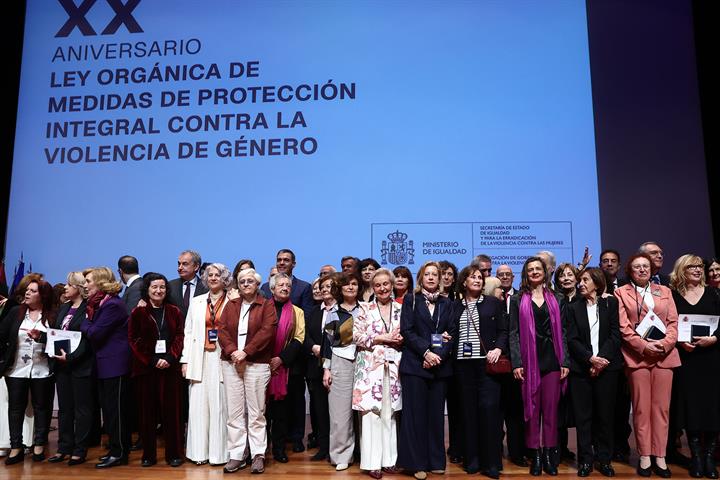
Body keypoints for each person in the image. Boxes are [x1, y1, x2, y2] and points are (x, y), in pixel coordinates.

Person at [614, 253, 680, 477]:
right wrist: (643, 346)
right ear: (630, 271)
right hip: (638, 358)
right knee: (642, 409)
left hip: (664, 356)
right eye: (637, 267)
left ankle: (659, 456)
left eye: (646, 266)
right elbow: (624, 328)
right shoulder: (621, 292)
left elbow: (673, 323)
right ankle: (644, 456)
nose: (642, 270)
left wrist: (664, 344)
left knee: (661, 409)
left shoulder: (666, 292)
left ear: (652, 270)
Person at [508, 256, 569, 476]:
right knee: (532, 411)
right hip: (528, 361)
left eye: (538, 269)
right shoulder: (517, 299)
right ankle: (534, 455)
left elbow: (562, 333)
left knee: (551, 411)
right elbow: (513, 334)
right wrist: (516, 362)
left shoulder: (557, 298)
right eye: (530, 269)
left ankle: (549, 455)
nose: (534, 272)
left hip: (552, 360)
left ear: (545, 272)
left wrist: (565, 361)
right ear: (526, 274)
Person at [397, 261, 456, 480]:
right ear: (421, 278)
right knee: (415, 416)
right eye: (427, 274)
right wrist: (426, 353)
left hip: (439, 367)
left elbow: (451, 332)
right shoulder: (411, 300)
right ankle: (417, 463)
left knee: (435, 416)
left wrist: (437, 355)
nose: (431, 278)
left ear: (440, 279)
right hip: (415, 365)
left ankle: (436, 460)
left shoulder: (447, 303)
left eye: (435, 275)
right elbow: (407, 330)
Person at [218, 268, 277, 474]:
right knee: (234, 413)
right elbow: (222, 330)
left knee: (256, 412)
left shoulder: (266, 305)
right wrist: (232, 351)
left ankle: (258, 454)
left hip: (257, 364)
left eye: (249, 281)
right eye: (242, 281)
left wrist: (246, 352)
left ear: (257, 284)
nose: (245, 284)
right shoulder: (231, 305)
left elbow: (267, 332)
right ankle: (237, 454)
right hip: (231, 362)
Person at [566, 268, 622, 477]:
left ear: (597, 284)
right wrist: (590, 359)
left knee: (605, 417)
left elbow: (616, 335)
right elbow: (571, 339)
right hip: (581, 370)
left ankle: (604, 459)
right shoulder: (573, 308)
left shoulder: (611, 303)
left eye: (585, 280)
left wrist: (601, 361)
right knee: (583, 418)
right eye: (580, 280)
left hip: (607, 369)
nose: (580, 283)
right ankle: (585, 461)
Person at [451, 265, 507, 479]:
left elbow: (504, 330)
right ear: (464, 282)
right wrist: (443, 340)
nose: (476, 279)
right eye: (471, 277)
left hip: (487, 365)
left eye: (479, 277)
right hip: (463, 366)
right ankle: (472, 460)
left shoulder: (493, 303)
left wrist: (498, 348)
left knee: (489, 412)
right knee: (468, 413)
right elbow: (447, 332)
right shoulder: (455, 306)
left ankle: (492, 463)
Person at [669, 255, 720, 478]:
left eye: (700, 266)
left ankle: (709, 457)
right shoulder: (673, 295)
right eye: (693, 266)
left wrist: (715, 338)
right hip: (686, 359)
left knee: (711, 405)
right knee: (690, 407)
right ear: (682, 269)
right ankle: (696, 457)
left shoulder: (714, 293)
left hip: (711, 358)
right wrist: (679, 341)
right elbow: (669, 324)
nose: (698, 270)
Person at [128, 273, 184, 468]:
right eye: (154, 287)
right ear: (147, 290)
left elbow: (179, 336)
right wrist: (152, 360)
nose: (159, 290)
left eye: (162, 287)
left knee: (172, 414)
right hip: (146, 369)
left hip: (170, 369)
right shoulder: (138, 313)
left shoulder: (174, 311)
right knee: (147, 414)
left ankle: (174, 454)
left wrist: (170, 357)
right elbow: (134, 340)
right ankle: (148, 454)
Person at [354, 268, 404, 479]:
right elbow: (356, 336)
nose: (382, 288)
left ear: (392, 285)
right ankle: (372, 463)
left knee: (389, 413)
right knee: (371, 414)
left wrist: (399, 340)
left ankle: (389, 461)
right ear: (372, 288)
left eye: (386, 284)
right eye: (378, 285)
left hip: (393, 367)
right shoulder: (364, 308)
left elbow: (405, 335)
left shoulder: (401, 309)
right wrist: (383, 338)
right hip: (369, 369)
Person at [0, 278, 55, 465]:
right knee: (16, 408)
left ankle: (38, 444)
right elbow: (1, 335)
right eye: (27, 290)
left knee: (41, 408)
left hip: (42, 369)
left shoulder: (52, 316)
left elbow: (59, 340)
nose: (28, 293)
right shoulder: (16, 312)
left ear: (43, 295)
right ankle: (16, 447)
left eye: (33, 291)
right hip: (16, 369)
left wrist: (41, 337)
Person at [181, 262, 232, 466]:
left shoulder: (233, 300)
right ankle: (198, 453)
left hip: (222, 358)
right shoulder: (197, 301)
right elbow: (188, 332)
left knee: (220, 406)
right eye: (209, 275)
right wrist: (185, 360)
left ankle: (219, 455)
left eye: (217, 275)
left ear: (224, 279)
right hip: (199, 357)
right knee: (198, 406)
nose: (212, 278)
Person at [81, 267, 131, 468]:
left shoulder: (112, 305)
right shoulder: (100, 304)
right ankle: (114, 449)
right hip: (105, 364)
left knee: (116, 412)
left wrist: (85, 321)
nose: (85, 285)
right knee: (109, 411)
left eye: (88, 281)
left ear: (100, 282)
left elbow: (94, 333)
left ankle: (120, 453)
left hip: (115, 364)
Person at [47, 272, 94, 466]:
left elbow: (86, 338)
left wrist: (72, 357)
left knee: (82, 410)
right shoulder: (64, 308)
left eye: (69, 285)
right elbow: (57, 333)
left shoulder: (88, 308)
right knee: (65, 409)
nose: (65, 288)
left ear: (78, 288)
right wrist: (42, 338)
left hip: (80, 365)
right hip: (62, 365)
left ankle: (79, 449)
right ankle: (63, 447)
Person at [322, 271, 363, 471]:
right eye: (347, 284)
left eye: (354, 284)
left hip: (364, 361)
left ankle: (367, 454)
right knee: (340, 414)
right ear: (340, 288)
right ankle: (341, 456)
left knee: (366, 412)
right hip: (340, 362)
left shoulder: (366, 309)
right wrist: (326, 369)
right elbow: (327, 344)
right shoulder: (333, 313)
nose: (350, 287)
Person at [267, 273, 306, 463]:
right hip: (262, 365)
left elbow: (299, 339)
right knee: (262, 412)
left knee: (282, 412)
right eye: (281, 285)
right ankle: (259, 449)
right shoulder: (263, 308)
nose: (285, 288)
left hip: (286, 367)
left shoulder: (297, 311)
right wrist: (267, 359)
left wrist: (281, 359)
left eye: (288, 286)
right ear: (272, 288)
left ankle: (279, 449)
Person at [304, 274, 335, 461]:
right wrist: (314, 347)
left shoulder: (342, 311)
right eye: (322, 287)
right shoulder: (315, 311)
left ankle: (339, 449)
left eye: (328, 286)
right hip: (316, 367)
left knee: (338, 412)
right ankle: (324, 448)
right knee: (320, 410)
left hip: (338, 367)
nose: (324, 289)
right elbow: (306, 334)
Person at [261, 249, 314, 319]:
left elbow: (307, 317)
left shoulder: (304, 287)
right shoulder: (265, 287)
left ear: (293, 264)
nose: (281, 263)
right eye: (279, 260)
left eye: (286, 260)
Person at [168, 250, 209, 317]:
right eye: (179, 264)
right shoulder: (170, 286)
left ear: (196, 267)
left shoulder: (206, 287)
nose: (180, 268)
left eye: (185, 264)